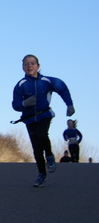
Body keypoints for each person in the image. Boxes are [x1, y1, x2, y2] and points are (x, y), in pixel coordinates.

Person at [12, 54, 75, 187]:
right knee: (36, 147)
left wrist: (69, 104)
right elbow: (15, 105)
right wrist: (25, 103)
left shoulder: (46, 81)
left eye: (32, 63)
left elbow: (62, 87)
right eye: (26, 64)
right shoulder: (20, 85)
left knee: (42, 134)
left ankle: (50, 156)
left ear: (38, 66)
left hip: (44, 114)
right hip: (29, 119)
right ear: (23, 67)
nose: (29, 66)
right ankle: (41, 174)